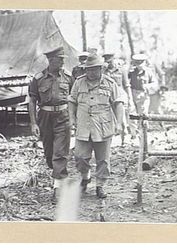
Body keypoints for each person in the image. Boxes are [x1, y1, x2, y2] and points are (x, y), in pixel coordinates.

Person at [68, 54, 124, 198]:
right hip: (83, 126)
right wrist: (71, 118)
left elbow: (118, 103)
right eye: (88, 70)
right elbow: (72, 101)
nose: (91, 73)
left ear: (101, 69)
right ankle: (86, 177)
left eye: (94, 70)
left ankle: (100, 185)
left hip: (103, 127)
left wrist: (119, 123)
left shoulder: (110, 83)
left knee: (103, 160)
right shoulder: (79, 82)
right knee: (80, 156)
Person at [28, 46, 73, 202]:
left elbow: (74, 99)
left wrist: (73, 118)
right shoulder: (38, 78)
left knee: (60, 152)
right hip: (45, 117)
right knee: (49, 153)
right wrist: (34, 124)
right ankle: (58, 177)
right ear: (51, 60)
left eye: (63, 59)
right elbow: (32, 101)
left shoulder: (68, 77)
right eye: (59, 59)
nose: (62, 62)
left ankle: (58, 187)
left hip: (63, 116)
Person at [102, 53, 133, 145]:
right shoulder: (103, 71)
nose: (109, 63)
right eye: (107, 61)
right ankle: (109, 142)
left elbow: (126, 85)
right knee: (108, 120)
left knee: (122, 119)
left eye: (110, 61)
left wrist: (129, 97)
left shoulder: (121, 70)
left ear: (113, 59)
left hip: (120, 97)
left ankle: (124, 140)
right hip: (107, 97)